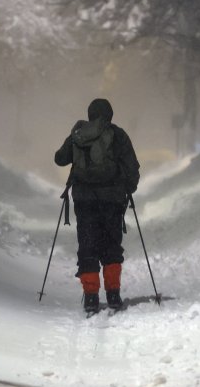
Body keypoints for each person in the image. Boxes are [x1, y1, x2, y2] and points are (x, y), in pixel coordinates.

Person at [54, 98, 140, 313]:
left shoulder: (79, 133)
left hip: (84, 199)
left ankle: (91, 296)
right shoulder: (118, 135)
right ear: (110, 114)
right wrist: (128, 188)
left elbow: (60, 159)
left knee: (88, 245)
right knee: (111, 244)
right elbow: (132, 166)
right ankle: (113, 293)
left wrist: (73, 143)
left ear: (90, 114)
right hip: (112, 199)